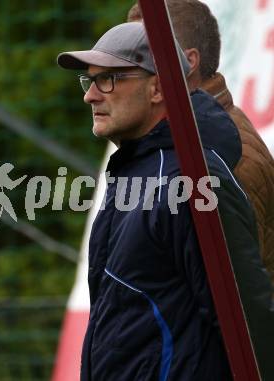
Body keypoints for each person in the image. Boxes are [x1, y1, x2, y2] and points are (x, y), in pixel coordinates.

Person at [57, 22, 273, 380]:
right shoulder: (134, 175)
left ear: (158, 87)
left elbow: (248, 328)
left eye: (108, 79)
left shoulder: (192, 183)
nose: (90, 96)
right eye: (89, 81)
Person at [128, 0, 274, 283]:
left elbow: (236, 305)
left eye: (140, 55)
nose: (128, 67)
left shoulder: (229, 157)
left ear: (189, 61)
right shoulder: (177, 136)